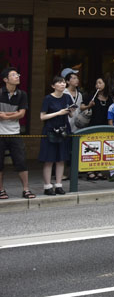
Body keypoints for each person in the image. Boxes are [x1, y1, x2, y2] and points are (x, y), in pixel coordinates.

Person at [39, 74, 74, 196]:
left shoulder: (67, 98)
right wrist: (58, 113)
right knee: (49, 159)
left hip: (64, 129)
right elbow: (42, 116)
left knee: (61, 159)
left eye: (64, 82)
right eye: (59, 82)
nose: (62, 84)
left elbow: (71, 115)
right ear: (53, 86)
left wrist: (70, 111)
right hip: (50, 130)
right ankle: (47, 186)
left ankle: (59, 185)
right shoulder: (48, 98)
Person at [0, 67, 32, 199]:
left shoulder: (22, 94)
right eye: (13, 75)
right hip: (0, 134)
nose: (17, 76)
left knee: (21, 161)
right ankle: (1, 190)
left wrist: (5, 116)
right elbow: (18, 113)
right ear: (6, 79)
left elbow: (22, 114)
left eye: (17, 74)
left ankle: (26, 189)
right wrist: (14, 114)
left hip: (15, 133)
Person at [85, 77, 114, 181]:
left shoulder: (109, 98)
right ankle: (90, 171)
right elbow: (81, 107)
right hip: (93, 125)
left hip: (105, 125)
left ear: (105, 84)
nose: (98, 85)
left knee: (102, 148)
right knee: (92, 148)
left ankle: (99, 170)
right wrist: (89, 105)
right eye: (97, 83)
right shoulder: (92, 96)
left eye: (100, 83)